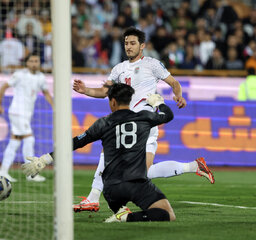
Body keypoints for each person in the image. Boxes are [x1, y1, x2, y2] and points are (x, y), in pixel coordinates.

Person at [72, 27, 214, 212]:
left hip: (144, 123)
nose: (128, 47)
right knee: (113, 157)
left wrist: (178, 96)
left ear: (142, 46)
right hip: (124, 123)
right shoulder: (119, 68)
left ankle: (193, 166)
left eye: (132, 43)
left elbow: (174, 83)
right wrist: (87, 91)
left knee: (140, 172)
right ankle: (92, 198)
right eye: (126, 43)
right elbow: (106, 91)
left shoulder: (152, 64)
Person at [23, 83, 176, 222]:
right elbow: (168, 115)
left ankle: (121, 213)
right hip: (137, 182)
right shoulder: (144, 118)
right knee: (167, 214)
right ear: (129, 100)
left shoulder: (103, 123)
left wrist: (46, 159)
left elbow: (76, 142)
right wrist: (158, 103)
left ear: (113, 101)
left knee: (118, 201)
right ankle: (127, 217)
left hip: (112, 190)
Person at [0, 54, 53, 182]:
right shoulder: (19, 74)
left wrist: (55, 107)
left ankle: (3, 171)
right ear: (27, 63)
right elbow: (4, 86)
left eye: (36, 61)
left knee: (14, 142)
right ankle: (31, 173)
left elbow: (46, 93)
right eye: (31, 61)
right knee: (29, 139)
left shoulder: (41, 77)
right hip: (17, 112)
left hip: (26, 114)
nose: (34, 63)